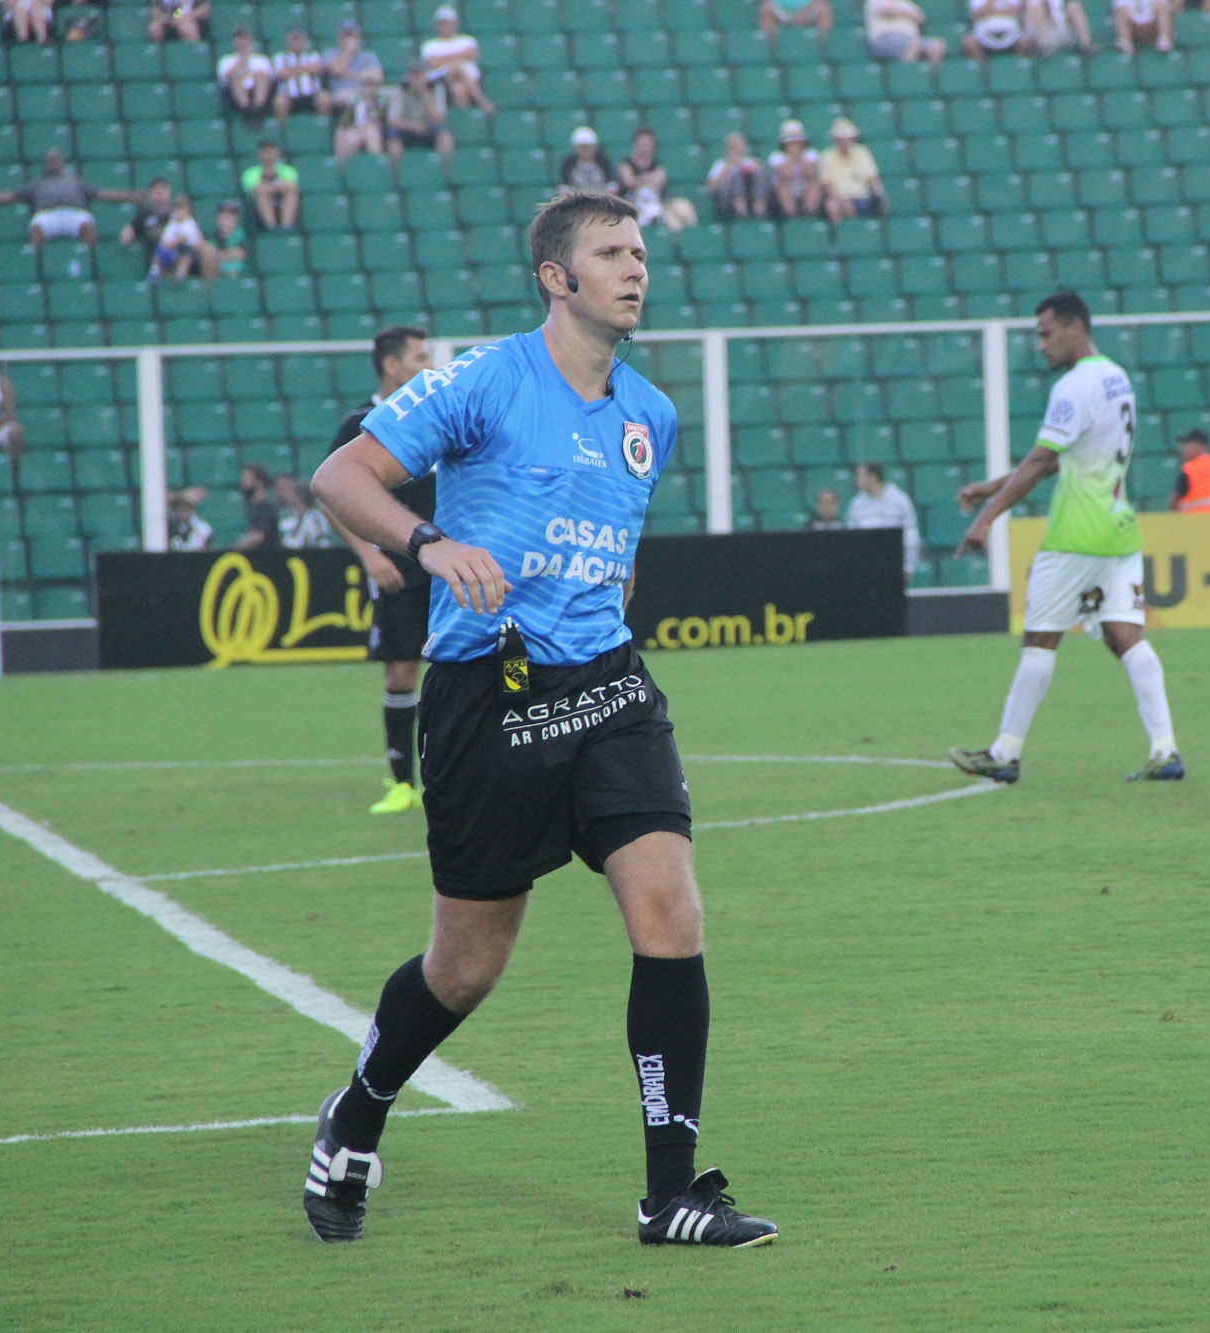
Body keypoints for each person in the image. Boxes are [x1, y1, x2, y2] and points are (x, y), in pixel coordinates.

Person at [307, 190, 778, 1249]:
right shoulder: (484, 378)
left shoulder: (648, 414)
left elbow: (615, 548)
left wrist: (599, 610)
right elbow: (341, 475)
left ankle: (672, 1196)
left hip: (608, 690)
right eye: (610, 253)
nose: (634, 268)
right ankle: (361, 1107)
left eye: (640, 252)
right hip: (487, 698)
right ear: (555, 279)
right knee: (465, 967)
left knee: (672, 914)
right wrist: (429, 544)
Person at [949, 290, 1182, 784]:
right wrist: (992, 486)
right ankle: (1165, 749)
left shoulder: (1075, 386)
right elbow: (1058, 456)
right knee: (1126, 637)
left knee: (1040, 641)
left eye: (1046, 334)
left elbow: (1040, 462)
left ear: (1075, 327)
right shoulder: (1116, 377)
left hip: (1077, 533)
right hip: (1118, 529)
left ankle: (1005, 752)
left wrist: (988, 517)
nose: (1040, 345)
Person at [320, 324, 437, 815]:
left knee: (476, 666)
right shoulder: (362, 424)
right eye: (420, 356)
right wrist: (369, 555)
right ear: (392, 365)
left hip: (454, 562)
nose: (430, 364)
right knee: (402, 671)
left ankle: (467, 774)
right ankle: (402, 783)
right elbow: (329, 495)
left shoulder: (439, 415)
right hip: (401, 568)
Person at [0, 149, 139, 254]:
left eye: (57, 160)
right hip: (47, 216)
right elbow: (12, 196)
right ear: (45, 164)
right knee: (36, 229)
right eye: (50, 160)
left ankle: (92, 263)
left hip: (75, 214)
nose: (54, 163)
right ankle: (38, 265)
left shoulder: (75, 181)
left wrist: (130, 196)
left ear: (63, 162)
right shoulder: (37, 183)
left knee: (88, 228)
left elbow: (102, 194)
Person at [846, 462, 919, 579]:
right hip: (865, 569)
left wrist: (908, 567)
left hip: (893, 566)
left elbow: (910, 534)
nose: (856, 480)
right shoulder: (856, 504)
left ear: (873, 477)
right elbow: (851, 537)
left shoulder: (900, 500)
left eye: (860, 476)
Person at [618, 127, 698, 233]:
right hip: (634, 204)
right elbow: (629, 182)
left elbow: (658, 182)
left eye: (648, 144)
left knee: (682, 210)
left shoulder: (658, 165)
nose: (645, 148)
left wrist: (642, 180)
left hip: (657, 203)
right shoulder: (626, 163)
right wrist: (647, 179)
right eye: (642, 144)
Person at [420, 5, 494, 116]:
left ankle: (463, 118)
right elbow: (433, 62)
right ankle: (482, 101)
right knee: (456, 66)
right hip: (442, 80)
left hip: (468, 80)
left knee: (458, 89)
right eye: (442, 23)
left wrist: (445, 59)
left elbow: (472, 52)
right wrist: (458, 57)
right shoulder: (430, 45)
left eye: (447, 23)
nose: (444, 27)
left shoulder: (467, 40)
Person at [818, 118, 884, 224]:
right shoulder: (827, 156)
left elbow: (872, 178)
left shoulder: (862, 152)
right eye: (841, 139)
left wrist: (879, 194)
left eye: (847, 138)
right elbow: (828, 187)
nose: (844, 142)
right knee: (832, 206)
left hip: (863, 198)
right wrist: (844, 202)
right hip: (840, 199)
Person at [386, 61, 454, 164]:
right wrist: (414, 126)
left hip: (428, 126)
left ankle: (446, 170)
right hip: (406, 127)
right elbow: (393, 120)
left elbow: (439, 118)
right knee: (393, 140)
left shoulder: (436, 89)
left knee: (445, 137)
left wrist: (424, 95)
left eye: (420, 75)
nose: (417, 80)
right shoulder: (400, 91)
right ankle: (397, 173)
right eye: (414, 76)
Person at [333, 64, 392, 168]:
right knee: (343, 134)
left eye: (372, 84)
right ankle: (344, 166)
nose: (369, 88)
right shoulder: (354, 101)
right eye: (366, 84)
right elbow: (345, 123)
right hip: (355, 130)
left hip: (374, 131)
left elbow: (380, 122)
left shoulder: (381, 101)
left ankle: (377, 165)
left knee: (371, 133)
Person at [271, 27, 332, 125]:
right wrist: (306, 69)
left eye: (299, 39)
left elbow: (317, 68)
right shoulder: (280, 57)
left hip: (312, 94)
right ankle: (282, 131)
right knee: (279, 102)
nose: (297, 43)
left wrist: (292, 70)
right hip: (289, 95)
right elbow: (282, 73)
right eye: (294, 39)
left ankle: (323, 128)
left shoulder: (313, 55)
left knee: (325, 98)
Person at [216, 25, 274, 125]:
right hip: (235, 95)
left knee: (260, 76)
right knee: (236, 77)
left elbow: (268, 77)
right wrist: (242, 60)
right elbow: (226, 77)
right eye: (238, 38)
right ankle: (246, 110)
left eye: (244, 38)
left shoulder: (261, 59)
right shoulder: (226, 60)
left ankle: (258, 110)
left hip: (258, 92)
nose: (241, 41)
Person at [705, 133, 769, 219]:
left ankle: (760, 211)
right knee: (736, 175)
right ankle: (741, 213)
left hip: (750, 196)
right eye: (734, 147)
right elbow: (712, 187)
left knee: (757, 174)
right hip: (727, 200)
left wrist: (753, 167)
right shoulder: (720, 164)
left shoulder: (750, 162)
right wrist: (729, 166)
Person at [1170, 427, 1210, 512]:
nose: (1182, 449)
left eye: (1186, 444)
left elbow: (1174, 503)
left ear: (1198, 445)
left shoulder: (1190, 470)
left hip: (1194, 522)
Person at [769, 120, 823, 219]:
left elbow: (811, 173)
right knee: (782, 185)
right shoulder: (776, 157)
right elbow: (785, 174)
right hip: (786, 189)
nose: (794, 145)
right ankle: (792, 215)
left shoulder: (811, 154)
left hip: (804, 187)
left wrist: (800, 157)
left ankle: (809, 213)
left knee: (814, 184)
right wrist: (791, 158)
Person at [242, 139, 301, 230]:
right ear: (259, 154)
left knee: (291, 190)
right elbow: (253, 189)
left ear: (277, 153)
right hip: (257, 210)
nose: (268, 155)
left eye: (271, 151)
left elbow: (291, 186)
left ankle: (287, 226)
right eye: (265, 151)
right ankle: (271, 227)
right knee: (261, 191)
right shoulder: (250, 173)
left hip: (282, 201)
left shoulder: (289, 170)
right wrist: (273, 187)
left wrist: (271, 187)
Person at [865, 0, 944, 65]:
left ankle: (930, 78)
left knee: (937, 46)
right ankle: (910, 77)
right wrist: (908, 14)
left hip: (910, 39)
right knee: (913, 46)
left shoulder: (907, 3)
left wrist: (900, 12)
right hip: (885, 39)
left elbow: (920, 18)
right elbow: (887, 11)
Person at [323, 19, 381, 105]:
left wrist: (348, 74)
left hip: (367, 91)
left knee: (393, 94)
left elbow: (377, 76)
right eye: (347, 36)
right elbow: (337, 70)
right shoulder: (330, 53)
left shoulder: (368, 56)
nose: (350, 39)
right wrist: (348, 53)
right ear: (340, 37)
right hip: (343, 92)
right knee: (354, 99)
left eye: (353, 36)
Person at [151, 194, 206, 283]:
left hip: (188, 248)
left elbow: (190, 239)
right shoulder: (172, 224)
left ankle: (180, 274)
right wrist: (169, 244)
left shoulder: (190, 223)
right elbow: (165, 239)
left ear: (188, 211)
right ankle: (155, 271)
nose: (179, 212)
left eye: (182, 209)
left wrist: (177, 241)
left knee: (186, 256)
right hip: (173, 248)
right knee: (158, 252)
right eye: (177, 209)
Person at [277, 475, 335, 548]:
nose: (288, 494)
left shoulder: (315, 518)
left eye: (291, 491)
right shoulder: (289, 517)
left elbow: (323, 544)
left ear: (301, 496)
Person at [120, 177, 175, 253]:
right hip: (150, 256)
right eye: (156, 192)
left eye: (162, 192)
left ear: (169, 193)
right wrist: (127, 234)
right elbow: (129, 232)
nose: (159, 196)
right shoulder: (144, 215)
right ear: (151, 195)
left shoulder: (179, 212)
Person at [559, 125, 618, 195]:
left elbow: (611, 188)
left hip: (602, 200)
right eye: (581, 147)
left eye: (588, 147)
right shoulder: (568, 163)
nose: (585, 151)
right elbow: (564, 189)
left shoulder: (604, 161)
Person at [235, 463, 280, 549]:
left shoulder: (266, 505)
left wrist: (238, 547)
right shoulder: (253, 506)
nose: (243, 482)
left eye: (247, 478)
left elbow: (259, 536)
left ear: (259, 482)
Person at [962, 0, 1028, 57]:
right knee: (969, 42)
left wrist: (992, 12)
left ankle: (1019, 67)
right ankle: (983, 68)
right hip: (984, 36)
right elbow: (981, 12)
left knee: (1025, 40)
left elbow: (1014, 10)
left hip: (1011, 35)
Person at [1026, 0, 1094, 55]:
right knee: (1038, 9)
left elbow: (1063, 9)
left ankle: (1086, 45)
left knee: (1074, 6)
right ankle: (1043, 49)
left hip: (1060, 28)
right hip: (1042, 32)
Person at [759, 0, 833, 43]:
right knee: (766, 11)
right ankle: (771, 48)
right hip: (782, 10)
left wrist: (804, 13)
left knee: (824, 11)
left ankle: (823, 44)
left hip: (808, 10)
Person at [207, 199, 246, 277]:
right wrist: (230, 255)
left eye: (231, 217)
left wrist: (220, 255)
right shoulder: (212, 237)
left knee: (233, 271)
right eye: (223, 216)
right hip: (216, 269)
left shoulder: (242, 235)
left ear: (237, 219)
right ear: (217, 218)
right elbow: (210, 256)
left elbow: (241, 254)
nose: (226, 220)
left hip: (238, 267)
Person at [167, 486, 213, 550]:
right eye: (178, 506)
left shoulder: (202, 527)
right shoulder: (168, 526)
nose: (183, 510)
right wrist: (181, 495)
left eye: (187, 507)